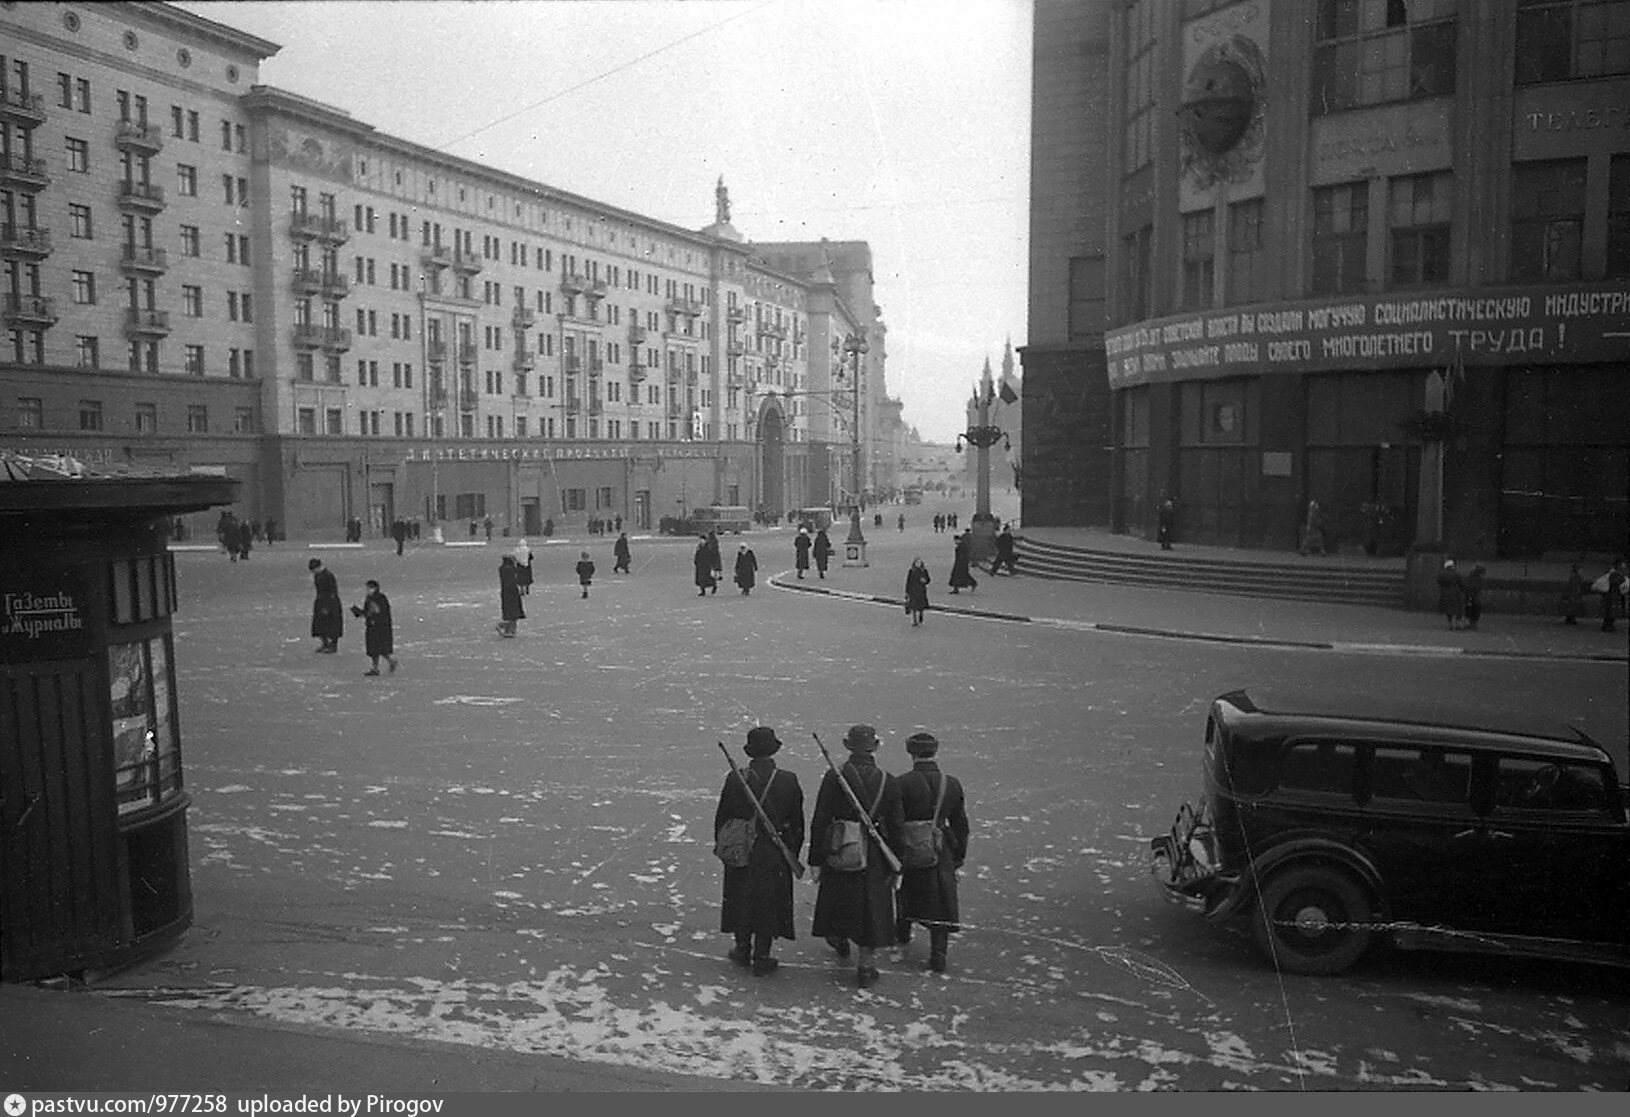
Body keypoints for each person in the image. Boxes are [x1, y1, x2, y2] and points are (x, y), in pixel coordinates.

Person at [810, 724, 903, 990]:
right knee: (871, 910)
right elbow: (896, 825)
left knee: (838, 899)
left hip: (841, 847)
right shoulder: (889, 780)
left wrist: (815, 859)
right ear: (875, 747)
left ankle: (838, 938)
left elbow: (821, 818)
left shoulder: (834, 776)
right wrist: (898, 863)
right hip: (874, 854)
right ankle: (866, 966)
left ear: (848, 746)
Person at [716, 727, 805, 977]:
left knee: (741, 898)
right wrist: (792, 851)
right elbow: (797, 822)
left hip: (742, 850)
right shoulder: (788, 780)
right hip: (774, 852)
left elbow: (723, 819)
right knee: (768, 904)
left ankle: (742, 948)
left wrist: (726, 849)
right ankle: (762, 955)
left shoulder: (735, 778)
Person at [894, 732, 969, 974]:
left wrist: (894, 853)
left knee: (907, 890)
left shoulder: (901, 783)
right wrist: (958, 857)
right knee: (942, 899)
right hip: (941, 846)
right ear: (935, 752)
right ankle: (938, 953)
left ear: (911, 752)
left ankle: (903, 931)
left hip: (911, 845)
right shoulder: (952, 783)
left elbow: (895, 822)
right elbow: (961, 824)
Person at [350, 579, 398, 676]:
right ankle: (376, 667)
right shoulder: (370, 598)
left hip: (379, 627)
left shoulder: (379, 598)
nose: (368, 590)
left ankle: (388, 662)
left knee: (379, 647)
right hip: (372, 626)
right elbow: (368, 612)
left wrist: (371, 617)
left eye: (369, 588)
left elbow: (380, 612)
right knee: (374, 649)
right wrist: (358, 612)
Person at [308, 558, 343, 653]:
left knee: (332, 624)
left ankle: (333, 645)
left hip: (330, 602)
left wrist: (327, 606)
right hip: (321, 600)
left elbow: (332, 591)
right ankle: (325, 643)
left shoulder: (328, 576)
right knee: (320, 624)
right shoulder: (318, 576)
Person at [497, 554, 524, 637]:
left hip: (505, 592)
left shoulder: (502, 568)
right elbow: (512, 581)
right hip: (512, 592)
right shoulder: (510, 569)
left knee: (509, 612)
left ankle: (508, 631)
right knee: (514, 613)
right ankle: (505, 627)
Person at [1437, 558, 1465, 630]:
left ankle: (1450, 624)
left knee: (1448, 609)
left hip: (1445, 593)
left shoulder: (1441, 574)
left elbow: (1439, 582)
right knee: (1458, 609)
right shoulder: (1456, 574)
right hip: (1456, 593)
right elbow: (1462, 583)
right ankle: (1458, 624)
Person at [1601, 557, 1627, 633]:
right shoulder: (1613, 573)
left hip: (1613, 595)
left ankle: (1607, 625)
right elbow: (1614, 582)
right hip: (1612, 595)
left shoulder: (1614, 573)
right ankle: (1608, 625)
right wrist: (1622, 579)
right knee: (1610, 610)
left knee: (1611, 610)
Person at [904, 557, 930, 626]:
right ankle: (914, 621)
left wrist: (925, 581)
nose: (918, 564)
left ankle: (921, 615)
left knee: (921, 606)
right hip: (913, 591)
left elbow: (928, 579)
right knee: (913, 607)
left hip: (921, 591)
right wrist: (907, 591)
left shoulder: (924, 571)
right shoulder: (911, 571)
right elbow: (908, 581)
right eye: (917, 563)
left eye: (919, 563)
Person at [1561, 559, 1586, 626]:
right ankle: (1570, 619)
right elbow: (1576, 586)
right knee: (1572, 606)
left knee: (1571, 606)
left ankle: (1570, 618)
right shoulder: (1576, 577)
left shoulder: (1574, 576)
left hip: (1571, 594)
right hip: (1573, 595)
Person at [1463, 562, 1486, 630]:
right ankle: (1473, 624)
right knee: (1475, 610)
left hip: (1469, 596)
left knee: (1469, 609)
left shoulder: (1470, 577)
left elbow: (1467, 586)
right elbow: (1480, 588)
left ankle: (1468, 624)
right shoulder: (1480, 579)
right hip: (1476, 597)